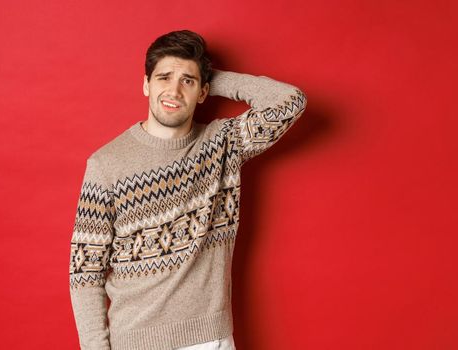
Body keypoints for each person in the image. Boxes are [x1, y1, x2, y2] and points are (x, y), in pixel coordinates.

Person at [68, 29, 307, 350]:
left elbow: (290, 101)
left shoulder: (224, 143)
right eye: (163, 78)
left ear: (204, 92)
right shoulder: (106, 165)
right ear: (145, 84)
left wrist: (209, 78)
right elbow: (86, 271)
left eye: (187, 81)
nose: (174, 90)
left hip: (210, 340)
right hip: (135, 342)